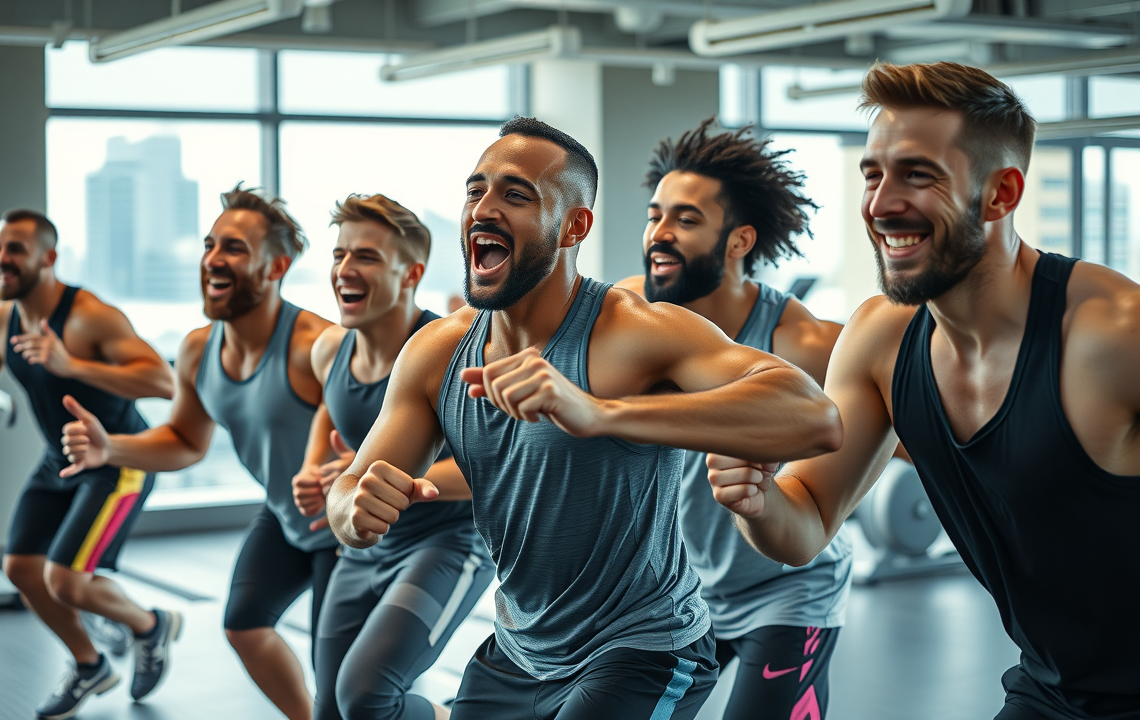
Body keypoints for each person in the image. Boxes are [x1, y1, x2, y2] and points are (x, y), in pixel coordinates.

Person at [324, 117, 843, 720]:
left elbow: (814, 416)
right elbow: (350, 487)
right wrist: (353, 510)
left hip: (642, 647)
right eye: (475, 191)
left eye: (516, 195)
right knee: (358, 703)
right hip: (520, 649)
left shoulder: (633, 331)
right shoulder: (436, 352)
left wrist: (597, 412)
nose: (484, 209)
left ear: (574, 226)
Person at [708, 62, 1140, 720]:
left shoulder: (1114, 337)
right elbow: (808, 521)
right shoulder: (881, 340)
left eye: (918, 175)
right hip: (1051, 690)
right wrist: (759, 501)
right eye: (873, 175)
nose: (881, 205)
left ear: (1000, 194)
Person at [60, 186, 335, 719]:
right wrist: (111, 448)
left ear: (276, 266)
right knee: (244, 626)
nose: (213, 259)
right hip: (285, 515)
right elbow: (185, 441)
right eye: (210, 245)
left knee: (347, 679)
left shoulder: (315, 346)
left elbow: (380, 439)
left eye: (234, 248)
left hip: (346, 528)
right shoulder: (198, 348)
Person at [0, 209, 178, 720]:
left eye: (15, 249)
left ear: (49, 258)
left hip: (119, 459)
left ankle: (149, 625)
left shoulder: (90, 317)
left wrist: (73, 365)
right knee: (22, 569)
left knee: (66, 581)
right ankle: (89, 665)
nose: (1, 259)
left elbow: (162, 382)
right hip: (59, 459)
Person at [616, 119, 851, 720]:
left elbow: (897, 439)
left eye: (686, 220)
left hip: (788, 590)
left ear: (740, 240)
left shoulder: (801, 343)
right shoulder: (630, 313)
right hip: (680, 590)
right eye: (654, 216)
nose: (659, 234)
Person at [292, 194, 495, 720]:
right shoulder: (329, 350)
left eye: (366, 256)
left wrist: (393, 483)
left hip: (447, 545)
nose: (344, 269)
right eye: (339, 254)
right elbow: (330, 408)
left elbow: (498, 465)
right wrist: (316, 467)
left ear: (411, 274)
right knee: (330, 709)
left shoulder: (450, 351)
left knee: (367, 697)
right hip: (364, 551)